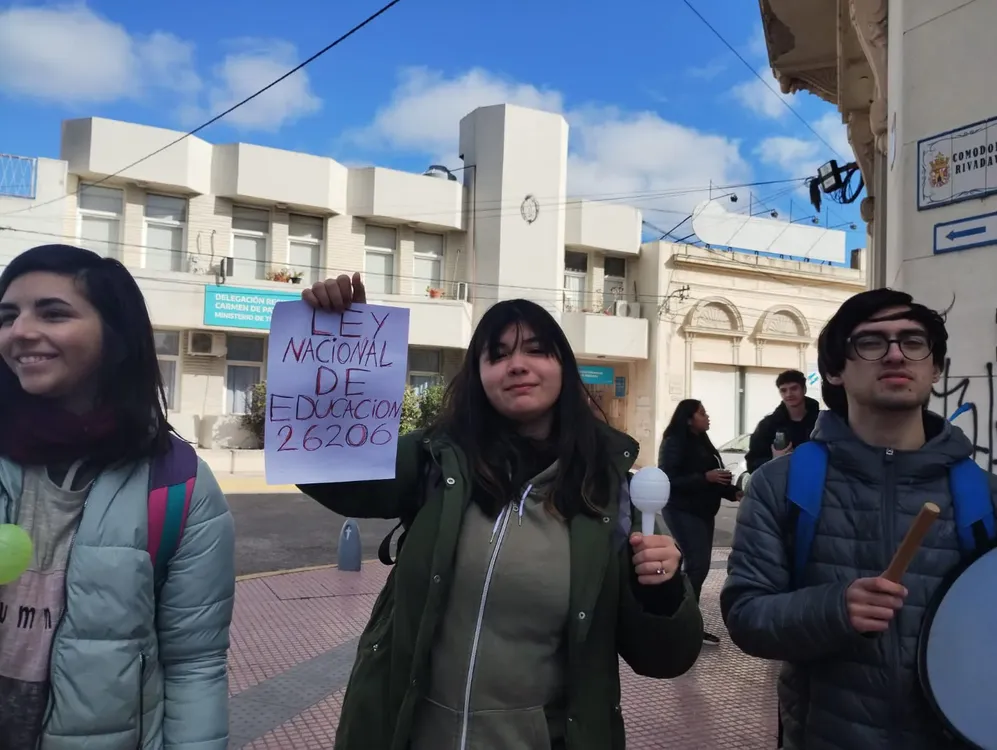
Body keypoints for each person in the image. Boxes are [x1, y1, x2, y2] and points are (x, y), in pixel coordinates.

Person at [299, 273, 704, 750]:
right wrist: (339, 338)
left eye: (535, 350)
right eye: (498, 354)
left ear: (564, 368)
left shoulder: (615, 498)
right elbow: (326, 465)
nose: (517, 365)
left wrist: (660, 592)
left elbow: (666, 659)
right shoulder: (434, 461)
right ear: (479, 376)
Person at [720, 288, 997, 749]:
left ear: (935, 369)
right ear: (834, 370)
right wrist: (834, 608)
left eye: (913, 341)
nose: (894, 354)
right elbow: (747, 615)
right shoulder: (783, 484)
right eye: (870, 342)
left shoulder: (983, 495)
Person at [0, 245, 235, 749]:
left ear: (115, 336)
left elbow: (195, 663)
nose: (19, 332)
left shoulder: (177, 483)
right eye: (7, 316)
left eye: (53, 313)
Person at [657, 399, 741, 646]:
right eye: (702, 413)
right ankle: (684, 624)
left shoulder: (702, 440)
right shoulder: (674, 442)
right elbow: (669, 478)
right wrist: (704, 477)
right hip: (681, 510)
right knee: (698, 564)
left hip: (703, 511)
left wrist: (733, 492)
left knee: (695, 565)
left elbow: (715, 478)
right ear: (688, 418)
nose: (707, 417)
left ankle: (681, 618)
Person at [744, 369, 820, 474]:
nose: (789, 394)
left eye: (794, 388)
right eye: (783, 390)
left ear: (804, 389)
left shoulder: (822, 421)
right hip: (781, 486)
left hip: (818, 483)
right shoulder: (768, 425)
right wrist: (774, 460)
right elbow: (752, 464)